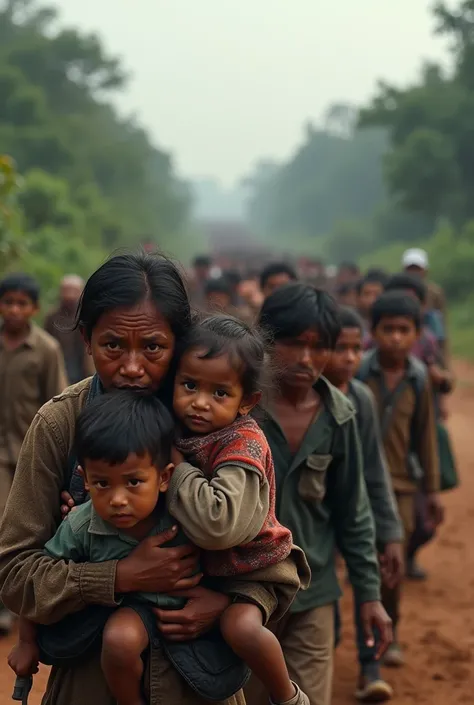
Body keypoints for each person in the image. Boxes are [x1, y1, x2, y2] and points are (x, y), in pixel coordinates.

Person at [0, 251, 284, 705]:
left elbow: (271, 546)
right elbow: (14, 572)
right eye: (113, 345)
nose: (132, 367)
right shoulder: (60, 424)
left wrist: (233, 603)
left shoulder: (218, 426)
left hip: (202, 680)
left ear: (178, 344)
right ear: (87, 341)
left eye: (153, 347)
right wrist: (117, 576)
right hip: (92, 676)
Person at [245, 283, 392, 705]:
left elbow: (354, 512)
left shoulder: (341, 418)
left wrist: (370, 596)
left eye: (319, 346)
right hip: (244, 592)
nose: (306, 359)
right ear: (267, 341)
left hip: (314, 592)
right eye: (292, 343)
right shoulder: (236, 410)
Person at [168, 314, 310, 705]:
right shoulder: (176, 425)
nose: (199, 402)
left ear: (247, 401)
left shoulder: (243, 443)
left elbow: (219, 523)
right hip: (217, 567)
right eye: (190, 385)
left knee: (240, 628)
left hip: (256, 564)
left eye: (219, 393)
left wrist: (176, 466)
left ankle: (288, 697)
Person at [356, 291, 443, 668]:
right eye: (387, 329)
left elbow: (426, 436)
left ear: (416, 334)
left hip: (403, 486)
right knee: (365, 566)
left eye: (403, 330)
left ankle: (387, 635)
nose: (395, 337)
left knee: (392, 565)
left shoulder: (418, 377)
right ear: (373, 331)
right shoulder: (359, 371)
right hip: (357, 484)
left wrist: (434, 490)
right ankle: (366, 653)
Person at [324, 307, 403, 702]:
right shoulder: (305, 401)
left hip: (356, 513)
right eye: (341, 349)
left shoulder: (362, 399)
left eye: (357, 349)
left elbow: (375, 469)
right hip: (318, 517)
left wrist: (389, 532)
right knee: (326, 596)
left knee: (365, 580)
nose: (351, 359)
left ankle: (369, 667)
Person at [0, 272, 68, 636]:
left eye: (21, 303)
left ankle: (18, 606)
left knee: (29, 528)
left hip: (30, 452)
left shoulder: (45, 349)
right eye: (8, 302)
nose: (13, 310)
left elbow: (56, 400)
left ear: (34, 308)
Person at [44, 274, 95, 384]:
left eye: (74, 291)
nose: (70, 295)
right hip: (59, 363)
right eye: (66, 290)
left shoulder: (88, 315)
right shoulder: (52, 317)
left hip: (83, 366)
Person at [401, 249, 447, 355]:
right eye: (410, 269)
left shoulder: (435, 292)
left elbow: (442, 324)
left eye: (417, 269)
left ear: (425, 270)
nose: (414, 272)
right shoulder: (399, 290)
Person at [356, 270, 388, 342]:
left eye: (376, 294)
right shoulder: (351, 324)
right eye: (366, 294)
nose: (371, 300)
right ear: (358, 297)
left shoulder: (390, 323)